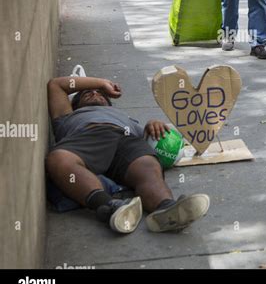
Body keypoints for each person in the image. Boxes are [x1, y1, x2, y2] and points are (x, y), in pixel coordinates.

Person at [46, 75, 210, 234]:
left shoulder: (126, 118)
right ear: (75, 104)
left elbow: (150, 140)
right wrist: (102, 84)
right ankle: (110, 207)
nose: (95, 93)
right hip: (87, 137)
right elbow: (56, 85)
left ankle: (166, 209)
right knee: (58, 159)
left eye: (100, 93)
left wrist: (153, 123)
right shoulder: (66, 116)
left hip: (125, 139)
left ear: (109, 104)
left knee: (148, 165)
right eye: (87, 93)